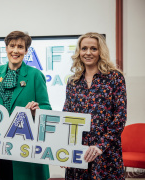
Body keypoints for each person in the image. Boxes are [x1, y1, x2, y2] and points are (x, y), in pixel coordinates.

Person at [0, 31, 51, 180]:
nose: (15, 50)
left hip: (26, 152)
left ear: (26, 51)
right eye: (12, 46)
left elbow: (46, 108)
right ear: (6, 48)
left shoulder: (35, 75)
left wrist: (36, 110)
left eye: (20, 47)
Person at [63, 32, 127, 179]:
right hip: (78, 152)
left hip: (105, 152)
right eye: (84, 48)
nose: (88, 53)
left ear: (100, 52)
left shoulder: (115, 78)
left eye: (93, 48)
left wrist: (100, 146)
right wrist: (64, 150)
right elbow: (67, 116)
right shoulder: (73, 81)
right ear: (79, 52)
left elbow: (120, 117)